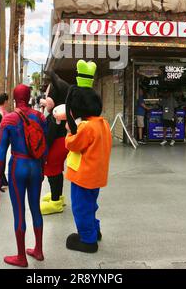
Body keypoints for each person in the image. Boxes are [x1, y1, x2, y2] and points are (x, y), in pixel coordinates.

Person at [0, 84, 48, 267]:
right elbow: (44, 146)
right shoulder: (40, 117)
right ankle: (39, 250)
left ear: (14, 97)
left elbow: (1, 152)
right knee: (35, 208)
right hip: (35, 165)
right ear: (29, 96)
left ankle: (21, 256)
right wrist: (43, 168)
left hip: (18, 165)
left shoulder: (9, 120)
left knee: (19, 211)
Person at [65, 60, 112, 254]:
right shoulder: (103, 123)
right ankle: (95, 229)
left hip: (83, 176)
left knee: (81, 207)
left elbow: (72, 144)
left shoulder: (85, 127)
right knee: (91, 204)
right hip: (96, 176)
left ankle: (88, 239)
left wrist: (69, 132)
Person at [40, 72, 70, 215]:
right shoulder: (63, 112)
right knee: (57, 170)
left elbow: (50, 134)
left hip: (56, 144)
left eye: (48, 97)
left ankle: (55, 201)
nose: (45, 100)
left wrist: (44, 150)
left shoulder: (56, 115)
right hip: (62, 142)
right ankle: (57, 196)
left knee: (52, 171)